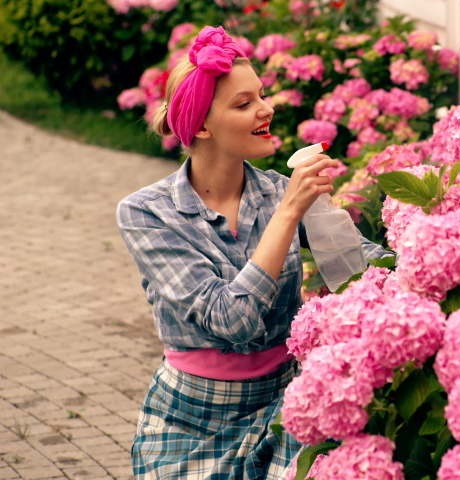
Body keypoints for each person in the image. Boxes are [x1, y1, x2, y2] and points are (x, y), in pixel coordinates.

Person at [116, 26, 388, 479]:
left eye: (261, 95)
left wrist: (423, 247)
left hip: (287, 404)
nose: (268, 109)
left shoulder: (279, 192)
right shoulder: (148, 214)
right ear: (202, 125)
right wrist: (288, 214)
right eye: (244, 104)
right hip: (190, 422)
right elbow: (231, 321)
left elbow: (359, 264)